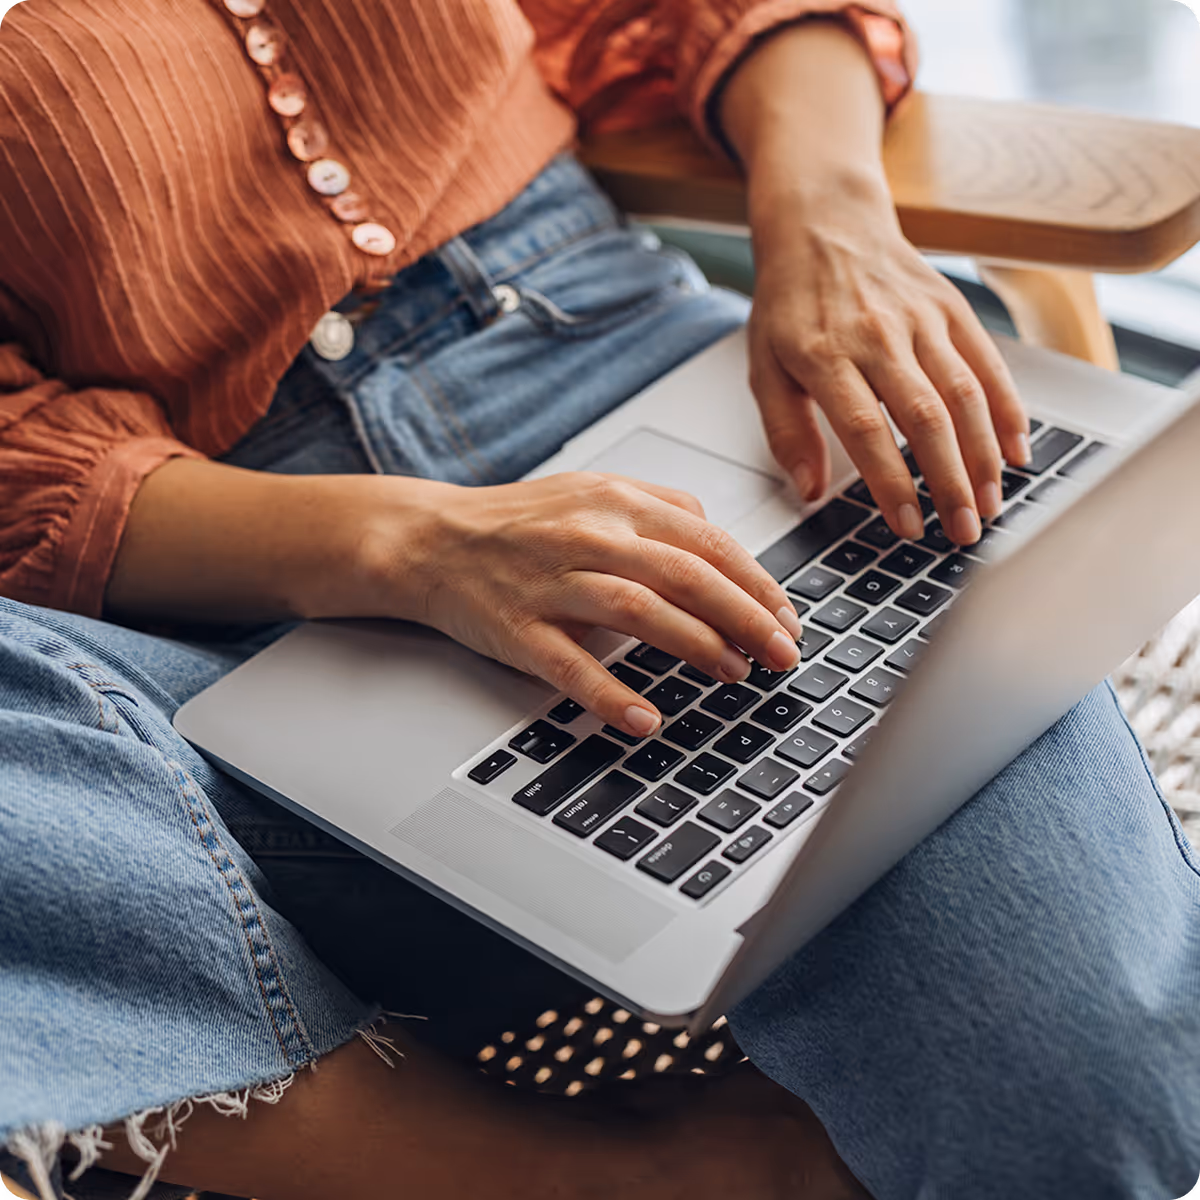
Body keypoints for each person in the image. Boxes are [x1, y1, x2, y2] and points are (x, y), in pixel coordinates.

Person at [0, 2, 1197, 1198]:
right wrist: (403, 541)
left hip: (652, 365)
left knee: (1085, 1103)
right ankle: (604, 1176)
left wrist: (831, 216)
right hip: (227, 574)